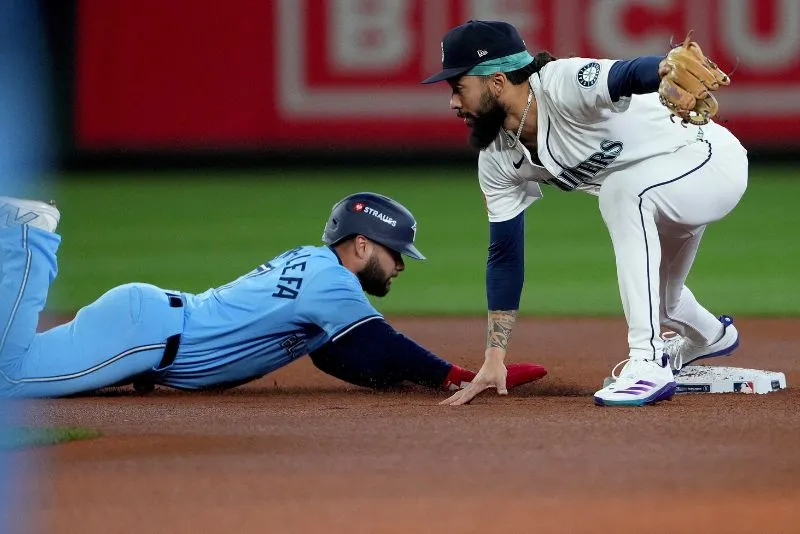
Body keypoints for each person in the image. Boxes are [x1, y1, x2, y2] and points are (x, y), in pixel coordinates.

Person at [421, 20, 745, 407]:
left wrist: (660, 68)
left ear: (496, 81)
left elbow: (623, 75)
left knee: (622, 193)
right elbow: (504, 256)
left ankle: (646, 362)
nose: (452, 102)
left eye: (459, 87)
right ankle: (709, 336)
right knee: (661, 300)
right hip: (661, 191)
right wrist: (494, 358)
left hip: (708, 162)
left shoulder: (560, 83)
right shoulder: (497, 157)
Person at [0, 193, 546, 398]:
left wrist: (392, 380)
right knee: (12, 374)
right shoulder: (330, 280)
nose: (401, 263)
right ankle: (30, 234)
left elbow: (339, 353)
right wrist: (454, 375)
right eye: (394, 251)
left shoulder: (312, 264)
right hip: (145, 335)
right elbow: (379, 342)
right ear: (360, 244)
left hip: (145, 328)